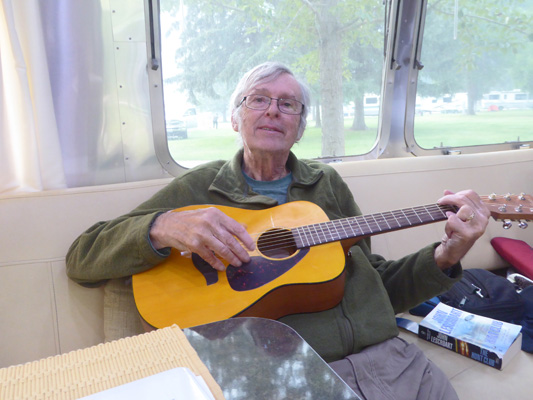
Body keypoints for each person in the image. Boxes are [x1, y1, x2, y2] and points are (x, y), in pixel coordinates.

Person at [66, 61, 490, 400]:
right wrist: (162, 226)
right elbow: (83, 257)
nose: (273, 110)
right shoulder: (200, 188)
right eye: (259, 99)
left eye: (288, 105)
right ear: (236, 118)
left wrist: (447, 254)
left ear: (300, 126)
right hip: (292, 377)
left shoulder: (327, 185)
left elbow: (377, 286)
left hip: (392, 362)